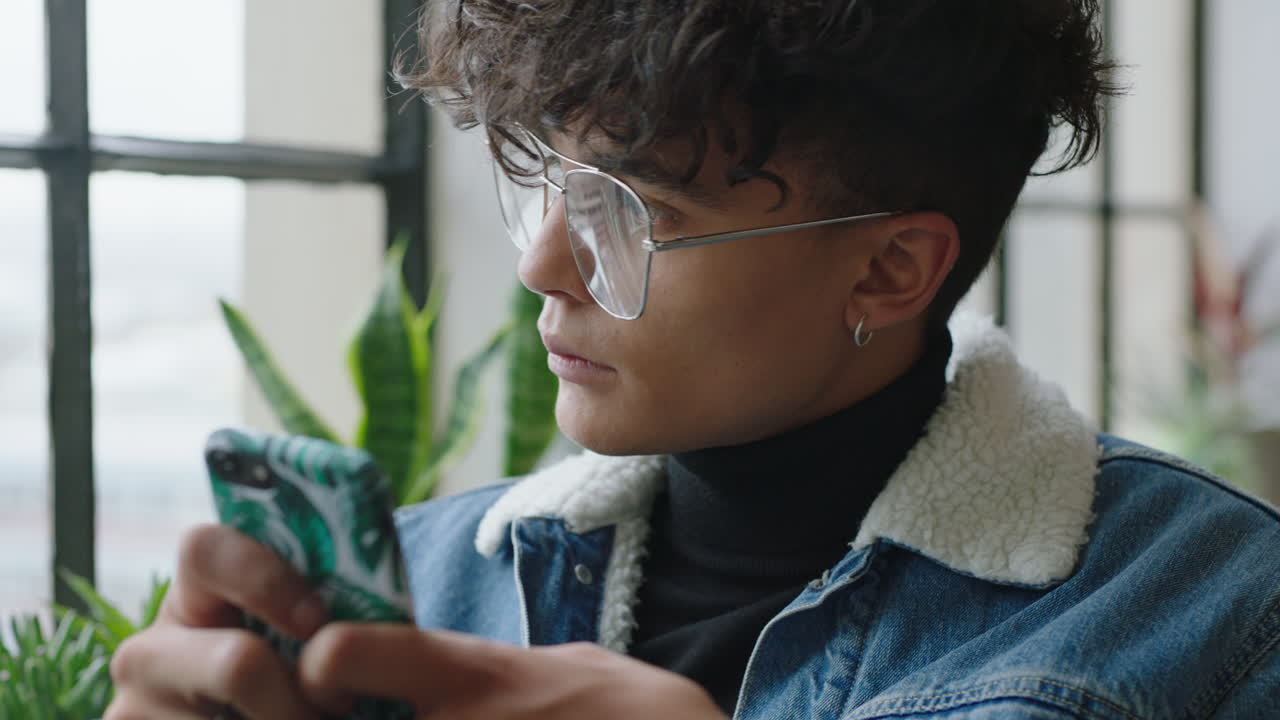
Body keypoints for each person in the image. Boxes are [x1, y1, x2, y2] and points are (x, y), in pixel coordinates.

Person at [105, 0, 1280, 717]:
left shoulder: (1216, 616)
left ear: (885, 272)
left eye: (626, 210)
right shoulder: (430, 586)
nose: (543, 267)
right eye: (544, 188)